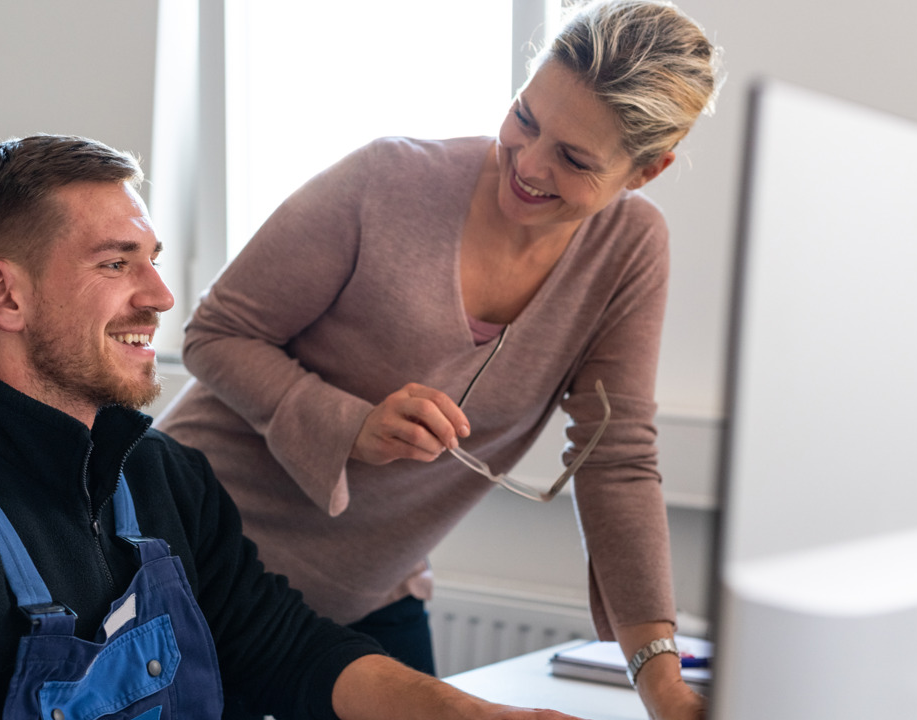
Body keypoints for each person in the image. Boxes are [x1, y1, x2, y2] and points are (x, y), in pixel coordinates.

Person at [0, 134, 587, 720]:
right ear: (3, 296)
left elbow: (287, 651)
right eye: (117, 262)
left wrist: (465, 713)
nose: (161, 296)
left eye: (154, 258)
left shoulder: (163, 477)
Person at [154, 1, 722, 718]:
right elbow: (216, 332)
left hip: (367, 590)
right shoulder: (388, 178)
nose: (528, 163)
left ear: (647, 171)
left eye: (575, 159)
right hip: (196, 554)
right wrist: (352, 424)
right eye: (525, 117)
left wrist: (660, 679)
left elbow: (616, 461)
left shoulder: (630, 251)